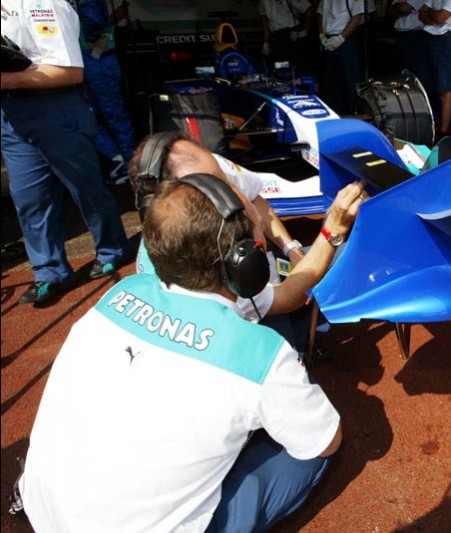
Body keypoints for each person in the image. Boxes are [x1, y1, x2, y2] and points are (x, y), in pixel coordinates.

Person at [18, 176, 345, 532]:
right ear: (247, 264)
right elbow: (325, 441)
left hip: (45, 508)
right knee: (314, 452)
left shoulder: (123, 291)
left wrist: (329, 232)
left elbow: (286, 292)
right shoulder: (261, 353)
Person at [129, 133, 366, 329]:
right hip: (261, 298)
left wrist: (291, 248)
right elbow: (289, 296)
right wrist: (331, 230)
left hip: (264, 273)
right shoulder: (210, 273)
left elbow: (254, 195)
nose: (236, 195)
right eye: (219, 187)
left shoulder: (203, 167)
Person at [1, 0, 129, 305]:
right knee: (30, 199)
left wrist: (8, 79)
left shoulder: (46, 4)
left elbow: (70, 72)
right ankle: (49, 271)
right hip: (12, 113)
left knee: (84, 188)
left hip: (55, 106)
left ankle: (112, 249)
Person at [77, 0, 137, 185]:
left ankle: (125, 164)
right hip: (97, 60)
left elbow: (94, 22)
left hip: (96, 61)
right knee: (94, 115)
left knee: (106, 115)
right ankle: (122, 162)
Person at [418, 0, 451, 137]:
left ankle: (442, 133)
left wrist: (431, 14)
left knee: (444, 91)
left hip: (446, 42)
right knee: (425, 87)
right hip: (429, 39)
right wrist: (432, 15)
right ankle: (429, 127)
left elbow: (439, 17)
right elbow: (422, 13)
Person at [317, 0, 373, 115]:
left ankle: (354, 115)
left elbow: (357, 16)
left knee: (351, 83)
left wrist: (341, 38)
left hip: (347, 39)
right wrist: (322, 35)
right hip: (328, 39)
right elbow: (321, 14)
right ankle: (334, 115)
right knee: (330, 82)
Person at [260, 0, 315, 70]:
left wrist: (305, 31)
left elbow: (309, 9)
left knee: (294, 65)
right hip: (275, 36)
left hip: (290, 35)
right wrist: (265, 42)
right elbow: (265, 20)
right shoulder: (264, 1)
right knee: (277, 65)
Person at [389, 0, 425, 76]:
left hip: (415, 35)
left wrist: (399, 7)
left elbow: (403, 8)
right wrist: (401, 9)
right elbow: (391, 10)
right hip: (400, 35)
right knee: (400, 70)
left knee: (413, 71)